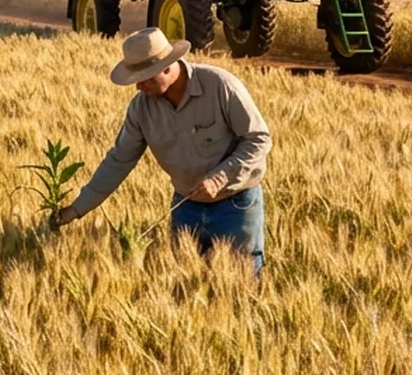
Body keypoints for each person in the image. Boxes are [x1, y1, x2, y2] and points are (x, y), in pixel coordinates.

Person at [52, 27, 269, 267]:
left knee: (244, 286)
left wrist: (219, 179)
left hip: (236, 206)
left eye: (143, 78)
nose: (137, 87)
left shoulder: (220, 86)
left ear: (166, 67)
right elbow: (119, 160)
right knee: (185, 290)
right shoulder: (140, 109)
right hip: (185, 207)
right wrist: (77, 209)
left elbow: (258, 139)